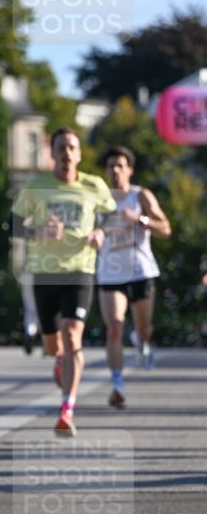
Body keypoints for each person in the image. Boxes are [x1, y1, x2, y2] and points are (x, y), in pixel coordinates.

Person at [11, 128, 116, 436]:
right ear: (52, 154)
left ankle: (67, 410)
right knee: (53, 344)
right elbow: (13, 224)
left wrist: (101, 232)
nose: (67, 153)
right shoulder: (36, 186)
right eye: (61, 148)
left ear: (79, 153)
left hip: (79, 270)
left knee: (73, 337)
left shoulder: (93, 185)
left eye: (72, 147)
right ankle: (59, 360)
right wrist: (37, 233)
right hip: (44, 272)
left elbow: (111, 214)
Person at [97, 146, 171, 406]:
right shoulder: (99, 199)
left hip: (141, 271)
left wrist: (140, 219)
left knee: (142, 327)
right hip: (110, 272)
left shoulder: (141, 196)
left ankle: (141, 340)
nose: (115, 170)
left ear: (130, 169)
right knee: (115, 326)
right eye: (110, 166)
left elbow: (165, 228)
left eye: (120, 165)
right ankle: (117, 385)